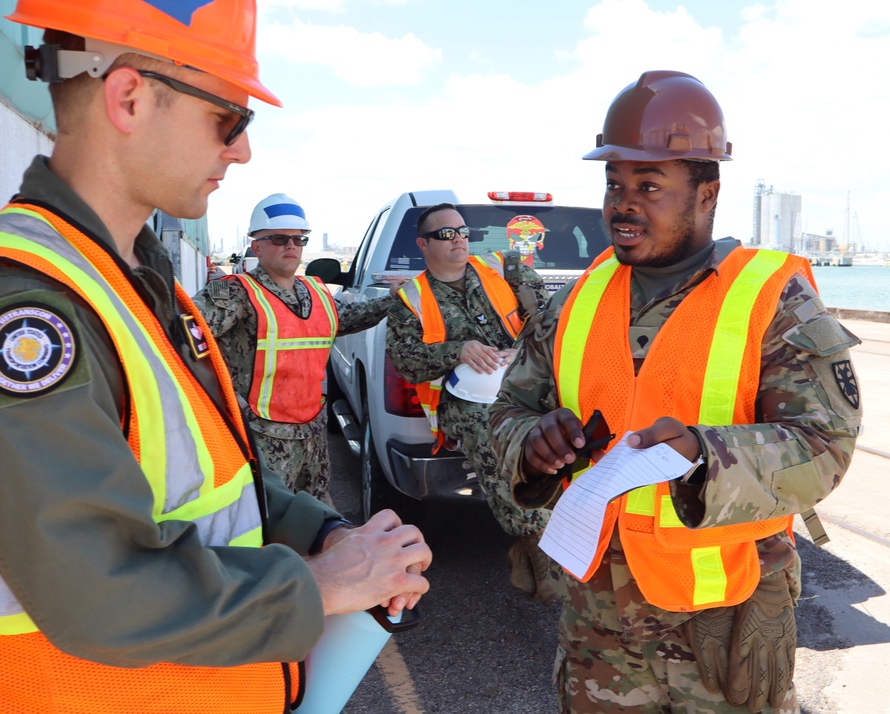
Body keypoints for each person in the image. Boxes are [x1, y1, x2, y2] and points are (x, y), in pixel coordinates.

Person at [0, 2, 431, 712]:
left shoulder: (132, 284)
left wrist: (329, 532)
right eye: (230, 120)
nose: (241, 151)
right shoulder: (16, 316)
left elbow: (213, 482)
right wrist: (323, 585)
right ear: (130, 97)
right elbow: (98, 591)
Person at [489, 70, 862, 712]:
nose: (623, 204)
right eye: (615, 184)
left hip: (722, 615)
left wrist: (700, 455)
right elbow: (508, 410)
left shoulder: (772, 299)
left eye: (650, 186)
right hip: (598, 624)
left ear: (706, 192)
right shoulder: (576, 298)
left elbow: (824, 447)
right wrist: (532, 441)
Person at [386, 203, 557, 604]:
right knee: (499, 451)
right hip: (465, 401)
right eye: (446, 234)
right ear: (423, 244)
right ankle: (536, 549)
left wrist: (523, 348)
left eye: (463, 231)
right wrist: (457, 350)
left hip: (526, 379)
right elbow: (406, 362)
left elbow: (548, 315)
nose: (458, 239)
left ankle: (569, 534)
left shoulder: (504, 268)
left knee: (563, 438)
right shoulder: (410, 300)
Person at [194, 193, 401, 506]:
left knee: (318, 519)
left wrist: (393, 300)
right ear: (256, 246)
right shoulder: (236, 293)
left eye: (299, 239)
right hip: (261, 440)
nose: (291, 246)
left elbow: (346, 318)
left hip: (313, 435)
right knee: (266, 523)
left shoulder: (315, 291)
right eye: (279, 238)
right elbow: (186, 339)